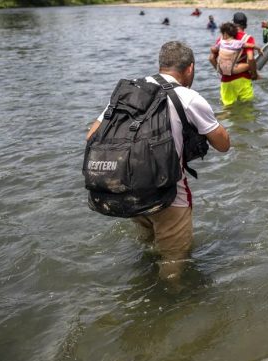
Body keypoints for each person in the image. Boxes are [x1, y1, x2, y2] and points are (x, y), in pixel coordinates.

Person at [86, 41, 231, 281]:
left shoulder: (129, 92)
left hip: (129, 189)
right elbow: (224, 145)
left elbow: (91, 136)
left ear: (161, 65)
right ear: (190, 69)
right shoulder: (188, 97)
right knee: (174, 261)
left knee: (147, 249)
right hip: (169, 195)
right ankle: (168, 302)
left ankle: (143, 288)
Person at [209, 12, 259, 106]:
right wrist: (254, 74)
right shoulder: (248, 38)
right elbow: (251, 59)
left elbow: (211, 57)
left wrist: (222, 71)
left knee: (227, 110)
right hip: (243, 78)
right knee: (247, 110)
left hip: (226, 80)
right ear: (245, 25)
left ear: (233, 23)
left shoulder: (222, 39)